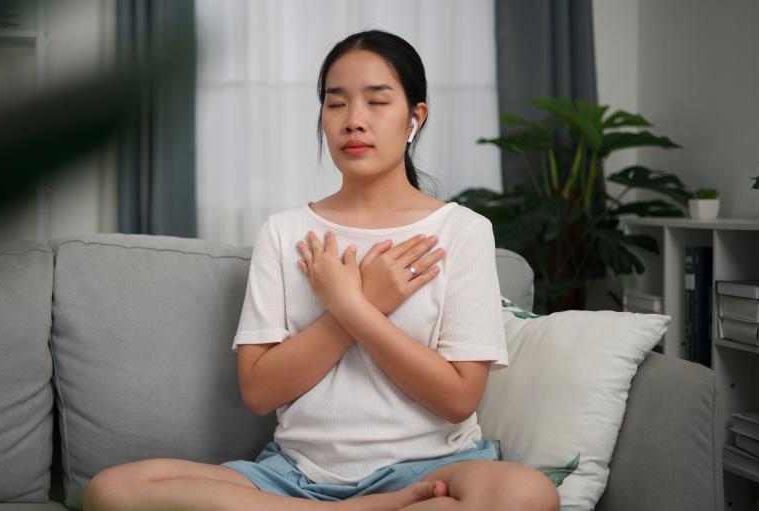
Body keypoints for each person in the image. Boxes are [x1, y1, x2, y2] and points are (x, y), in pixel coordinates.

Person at [83, 29, 560, 511]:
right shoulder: (285, 233)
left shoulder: (463, 231)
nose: (354, 121)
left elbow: (458, 399)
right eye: (336, 104)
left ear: (415, 117)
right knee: (111, 491)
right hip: (295, 476)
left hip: (433, 467)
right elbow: (259, 390)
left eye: (377, 102)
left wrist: (353, 304)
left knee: (528, 495)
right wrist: (362, 303)